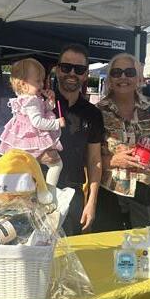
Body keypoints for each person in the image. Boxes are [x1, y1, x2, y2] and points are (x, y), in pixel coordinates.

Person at [94, 53, 150, 232]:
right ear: (109, 80)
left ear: (138, 78)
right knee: (109, 243)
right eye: (116, 72)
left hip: (146, 189)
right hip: (110, 190)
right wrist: (113, 161)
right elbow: (88, 158)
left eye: (129, 72)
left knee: (147, 243)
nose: (123, 77)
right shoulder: (98, 111)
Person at [54, 43, 104, 235]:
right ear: (57, 69)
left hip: (73, 192)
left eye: (79, 69)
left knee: (72, 247)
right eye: (66, 67)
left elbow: (94, 160)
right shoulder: (39, 106)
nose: (72, 73)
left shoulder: (93, 114)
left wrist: (91, 202)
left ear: (85, 74)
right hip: (38, 190)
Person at [0, 58, 65, 194]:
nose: (42, 84)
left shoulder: (24, 98)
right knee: (56, 165)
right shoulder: (32, 101)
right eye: (38, 81)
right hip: (32, 140)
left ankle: (36, 191)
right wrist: (56, 123)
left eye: (42, 80)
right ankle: (48, 192)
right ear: (24, 84)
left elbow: (44, 110)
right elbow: (38, 122)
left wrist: (50, 101)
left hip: (22, 141)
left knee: (29, 170)